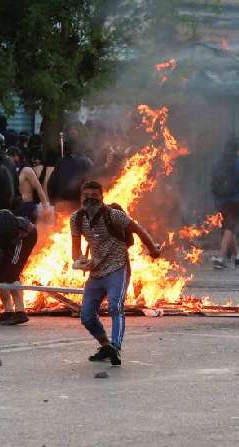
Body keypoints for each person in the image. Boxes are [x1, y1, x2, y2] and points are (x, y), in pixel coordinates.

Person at [71, 181, 161, 367]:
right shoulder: (76, 219)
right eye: (86, 195)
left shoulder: (114, 215)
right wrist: (80, 261)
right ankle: (106, 347)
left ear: (102, 198)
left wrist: (152, 249)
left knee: (115, 306)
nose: (90, 199)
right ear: (81, 198)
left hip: (117, 267)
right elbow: (75, 250)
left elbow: (139, 230)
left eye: (94, 196)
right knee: (87, 316)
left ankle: (116, 347)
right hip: (95, 272)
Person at [210, 140, 239, 269]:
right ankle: (221, 258)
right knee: (229, 228)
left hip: (219, 201)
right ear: (238, 150)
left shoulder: (217, 163)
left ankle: (237, 257)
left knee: (229, 228)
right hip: (235, 201)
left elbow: (212, 181)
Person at [48, 142, 94, 215]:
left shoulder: (60, 162)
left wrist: (53, 201)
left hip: (61, 203)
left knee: (61, 225)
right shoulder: (86, 162)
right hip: (78, 203)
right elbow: (93, 182)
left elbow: (51, 183)